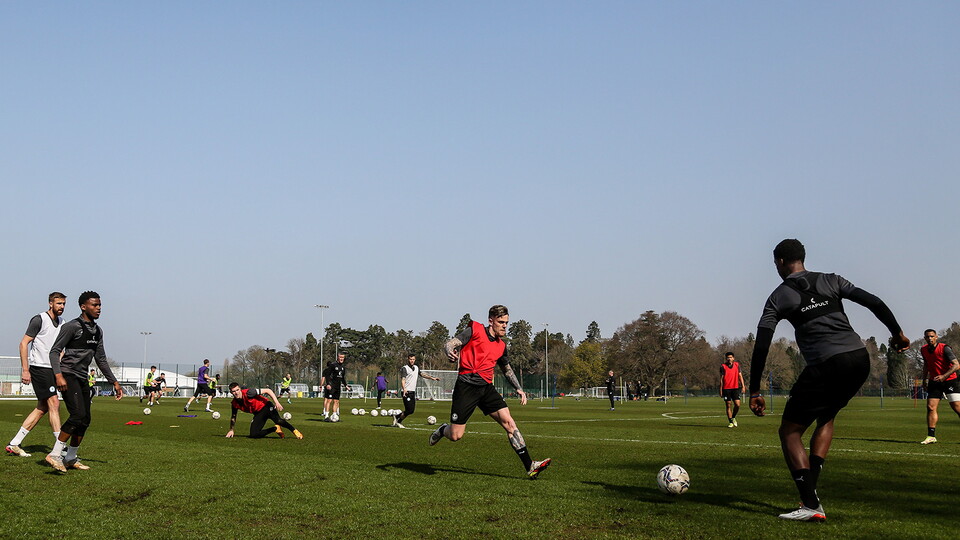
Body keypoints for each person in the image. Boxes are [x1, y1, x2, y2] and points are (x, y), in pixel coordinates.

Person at [748, 239, 909, 522]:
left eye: (776, 263)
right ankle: (811, 491)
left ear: (781, 262)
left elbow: (762, 344)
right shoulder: (832, 280)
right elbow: (874, 302)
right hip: (859, 360)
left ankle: (810, 504)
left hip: (826, 364)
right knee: (826, 416)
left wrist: (754, 389)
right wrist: (897, 334)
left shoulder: (778, 296)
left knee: (789, 432)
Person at [430, 305, 552, 479]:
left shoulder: (501, 346)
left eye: (506, 323)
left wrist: (518, 388)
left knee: (510, 424)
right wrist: (449, 351)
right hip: (466, 387)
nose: (504, 326)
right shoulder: (475, 330)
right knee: (456, 435)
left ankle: (530, 466)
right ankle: (443, 430)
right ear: (491, 320)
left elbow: (507, 369)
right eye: (501, 322)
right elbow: (451, 343)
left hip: (486, 388)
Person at [47, 291, 125, 472]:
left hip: (82, 377)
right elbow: (54, 351)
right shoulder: (73, 327)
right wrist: (58, 375)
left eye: (99, 305)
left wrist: (114, 382)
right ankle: (54, 454)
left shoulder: (98, 331)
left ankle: (71, 457)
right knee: (77, 415)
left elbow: (101, 360)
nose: (98, 308)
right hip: (67, 375)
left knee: (85, 419)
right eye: (94, 305)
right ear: (83, 306)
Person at [5, 292, 67, 458]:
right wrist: (25, 370)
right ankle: (60, 446)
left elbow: (60, 348)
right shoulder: (39, 319)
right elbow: (23, 343)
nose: (61, 307)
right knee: (54, 403)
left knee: (42, 408)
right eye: (59, 303)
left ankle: (14, 444)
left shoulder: (62, 323)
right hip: (39, 367)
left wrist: (59, 366)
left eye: (63, 304)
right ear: (50, 303)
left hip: (52, 369)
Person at [919, 329, 960, 444]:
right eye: (927, 337)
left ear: (936, 337)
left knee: (957, 407)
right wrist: (924, 380)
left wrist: (944, 376)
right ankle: (931, 436)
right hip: (934, 381)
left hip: (950, 381)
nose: (930, 338)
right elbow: (926, 365)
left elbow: (956, 365)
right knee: (931, 407)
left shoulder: (945, 348)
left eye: (932, 336)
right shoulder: (923, 350)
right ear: (925, 338)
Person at [225, 383, 302, 439]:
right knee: (253, 434)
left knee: (278, 420)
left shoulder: (249, 393)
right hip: (258, 413)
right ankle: (275, 429)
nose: (236, 392)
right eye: (234, 391)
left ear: (240, 389)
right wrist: (231, 430)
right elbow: (233, 417)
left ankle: (294, 431)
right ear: (231, 392)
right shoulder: (234, 403)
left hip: (266, 406)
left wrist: (277, 402)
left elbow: (268, 390)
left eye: (237, 390)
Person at [393, 354, 440, 428]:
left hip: (412, 392)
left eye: (413, 359)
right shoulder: (405, 368)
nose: (412, 361)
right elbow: (403, 379)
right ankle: (398, 421)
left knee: (411, 411)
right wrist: (404, 388)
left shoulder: (416, 368)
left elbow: (422, 374)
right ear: (408, 359)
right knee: (408, 410)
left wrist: (432, 378)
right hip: (406, 392)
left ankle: (397, 416)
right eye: (410, 359)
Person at [320, 354, 349, 421]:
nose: (342, 359)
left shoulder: (343, 368)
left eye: (343, 357)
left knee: (336, 401)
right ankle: (326, 416)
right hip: (331, 386)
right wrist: (328, 384)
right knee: (329, 400)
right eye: (340, 357)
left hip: (337, 386)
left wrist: (346, 385)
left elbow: (342, 378)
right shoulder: (333, 365)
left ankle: (334, 415)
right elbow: (327, 375)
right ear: (338, 357)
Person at [720, 352, 746, 428]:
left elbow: (740, 376)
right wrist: (720, 389)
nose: (729, 359)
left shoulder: (737, 365)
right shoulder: (723, 366)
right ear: (726, 358)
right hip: (726, 388)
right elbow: (721, 379)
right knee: (728, 405)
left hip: (735, 388)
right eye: (728, 357)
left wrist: (743, 386)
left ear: (733, 358)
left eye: (731, 357)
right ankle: (730, 422)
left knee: (737, 405)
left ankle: (733, 417)